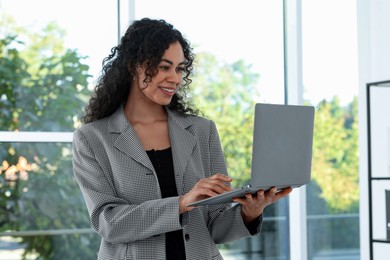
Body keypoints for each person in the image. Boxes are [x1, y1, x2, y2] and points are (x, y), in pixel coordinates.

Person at [72, 18, 292, 260]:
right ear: (135, 66)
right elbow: (109, 222)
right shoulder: (92, 138)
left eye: (179, 68)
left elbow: (214, 227)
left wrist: (248, 212)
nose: (175, 78)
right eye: (165, 67)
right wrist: (182, 202)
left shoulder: (202, 131)